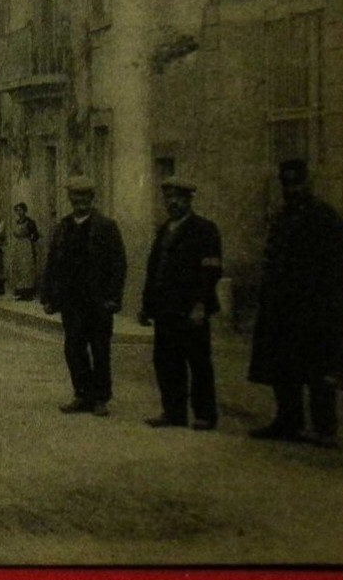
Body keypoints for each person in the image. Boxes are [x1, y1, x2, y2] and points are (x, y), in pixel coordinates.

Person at [247, 160, 343, 447]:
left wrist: (331, 306)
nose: (292, 190)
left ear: (308, 184)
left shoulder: (322, 216)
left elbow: (340, 268)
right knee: (284, 367)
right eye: (287, 185)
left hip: (315, 309)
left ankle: (325, 428)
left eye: (297, 184)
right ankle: (288, 421)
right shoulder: (283, 218)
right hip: (283, 308)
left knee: (319, 368)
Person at [138, 177, 223, 430]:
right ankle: (173, 412)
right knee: (165, 361)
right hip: (165, 309)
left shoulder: (205, 229)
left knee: (198, 361)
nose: (172, 203)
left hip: (190, 309)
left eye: (178, 198)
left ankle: (205, 415)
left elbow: (211, 271)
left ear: (189, 200)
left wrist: (200, 304)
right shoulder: (164, 230)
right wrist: (146, 305)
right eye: (168, 198)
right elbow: (154, 271)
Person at [41, 175, 128, 417]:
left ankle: (100, 398)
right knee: (73, 348)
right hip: (71, 300)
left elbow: (118, 265)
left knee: (100, 349)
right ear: (70, 199)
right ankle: (81, 393)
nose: (80, 202)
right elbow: (52, 263)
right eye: (76, 197)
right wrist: (48, 296)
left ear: (92, 199)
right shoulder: (63, 227)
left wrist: (114, 297)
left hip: (98, 301)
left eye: (85, 198)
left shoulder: (106, 226)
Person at [5, 202, 42, 301]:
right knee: (19, 269)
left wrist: (31, 240)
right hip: (18, 247)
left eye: (20, 209)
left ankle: (28, 294)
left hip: (27, 247)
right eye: (17, 210)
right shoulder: (16, 222)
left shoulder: (30, 222)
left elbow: (36, 235)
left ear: (24, 210)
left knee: (27, 269)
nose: (19, 212)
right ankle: (21, 293)